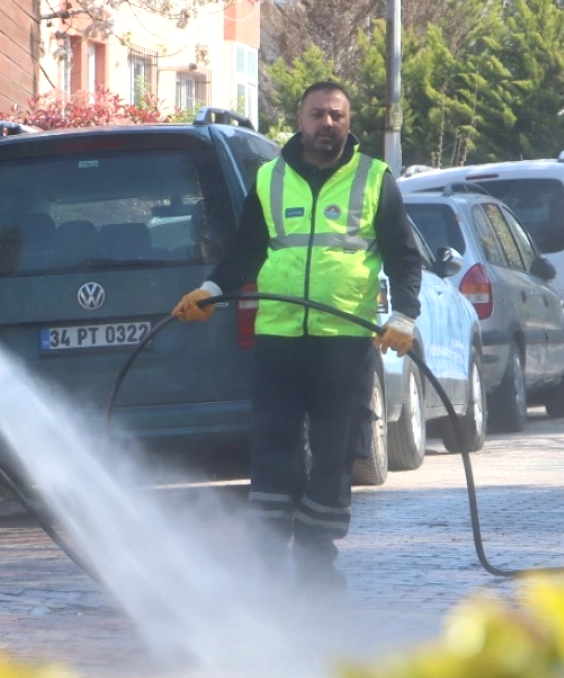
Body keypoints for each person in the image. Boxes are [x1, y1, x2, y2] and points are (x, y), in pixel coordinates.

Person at [173, 81, 422, 587]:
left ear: (349, 122)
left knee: (335, 452)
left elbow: (403, 255)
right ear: (299, 119)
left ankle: (314, 561)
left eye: (336, 115)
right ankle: (266, 559)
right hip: (279, 339)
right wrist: (208, 288)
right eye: (317, 114)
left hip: (345, 340)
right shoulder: (269, 179)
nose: (326, 124)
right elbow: (246, 251)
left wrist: (404, 315)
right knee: (273, 448)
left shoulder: (375, 179)